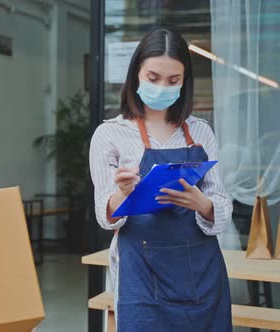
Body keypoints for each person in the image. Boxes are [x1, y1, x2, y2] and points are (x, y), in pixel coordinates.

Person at [89, 28, 233, 331]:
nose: (162, 87)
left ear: (185, 81)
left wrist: (202, 204)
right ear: (136, 73)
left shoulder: (201, 132)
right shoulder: (110, 135)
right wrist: (122, 193)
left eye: (173, 81)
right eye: (153, 78)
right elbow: (105, 215)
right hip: (141, 276)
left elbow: (221, 205)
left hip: (200, 274)